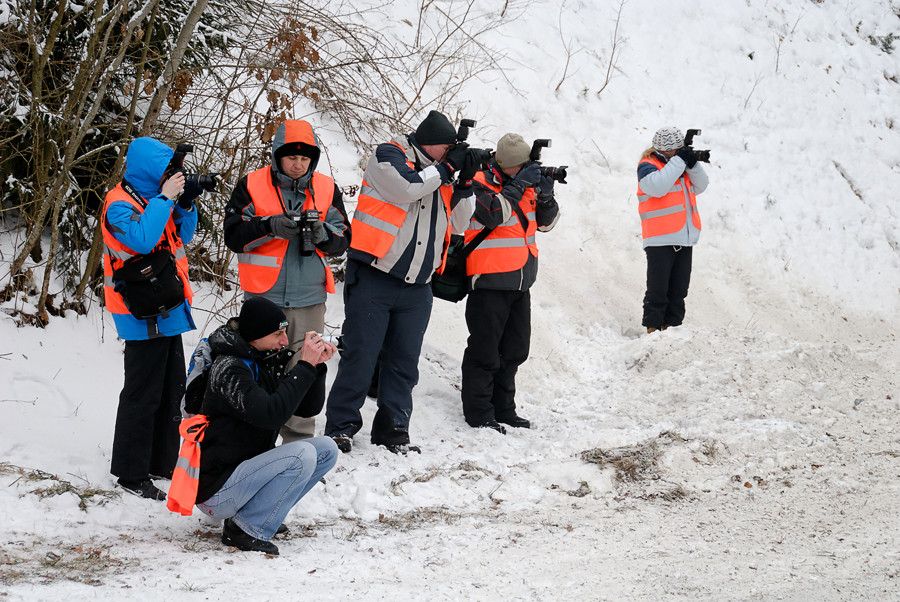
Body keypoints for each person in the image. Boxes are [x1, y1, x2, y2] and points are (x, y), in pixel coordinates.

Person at [324, 110, 476, 454]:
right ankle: (341, 427)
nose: (450, 154)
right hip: (376, 274)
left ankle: (393, 429)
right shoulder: (388, 154)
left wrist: (464, 181)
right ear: (432, 145)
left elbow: (465, 221)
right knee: (361, 355)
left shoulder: (443, 173)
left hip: (418, 285)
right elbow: (407, 188)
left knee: (404, 362)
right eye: (447, 148)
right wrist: (447, 169)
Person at [224, 119, 350, 444]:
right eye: (291, 157)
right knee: (258, 371)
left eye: (305, 159)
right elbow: (233, 235)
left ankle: (299, 447)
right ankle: (254, 444)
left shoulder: (325, 188)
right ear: (277, 155)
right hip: (264, 300)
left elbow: (343, 239)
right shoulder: (251, 185)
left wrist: (322, 234)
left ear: (314, 160)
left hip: (310, 299)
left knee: (305, 369)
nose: (298, 164)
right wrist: (269, 226)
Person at [195, 297, 338, 555]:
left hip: (245, 476)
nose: (284, 340)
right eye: (278, 334)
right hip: (217, 490)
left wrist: (315, 368)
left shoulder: (261, 357)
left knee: (326, 449)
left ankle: (258, 511)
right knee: (301, 455)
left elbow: (307, 408)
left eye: (284, 333)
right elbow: (271, 415)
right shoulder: (230, 369)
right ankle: (245, 528)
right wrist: (303, 365)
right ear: (255, 335)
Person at [102, 137, 203, 500]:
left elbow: (184, 236)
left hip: (169, 305)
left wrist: (185, 202)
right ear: (149, 171)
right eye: (166, 170)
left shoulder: (156, 199)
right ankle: (131, 473)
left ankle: (161, 462)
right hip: (138, 309)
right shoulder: (117, 204)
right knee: (142, 393)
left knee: (171, 388)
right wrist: (166, 198)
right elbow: (142, 240)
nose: (173, 175)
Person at [460, 133, 560, 433]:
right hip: (489, 279)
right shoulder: (477, 180)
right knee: (484, 350)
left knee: (515, 350)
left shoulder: (525, 182)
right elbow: (491, 215)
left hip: (521, 279)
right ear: (503, 165)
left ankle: (504, 408)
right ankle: (479, 412)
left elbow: (546, 224)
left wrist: (545, 196)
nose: (523, 170)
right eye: (518, 167)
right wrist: (518, 185)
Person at [636, 127, 710, 332]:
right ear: (664, 150)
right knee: (658, 290)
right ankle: (652, 328)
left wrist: (692, 163)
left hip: (684, 237)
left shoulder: (679, 167)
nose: (678, 153)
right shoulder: (648, 165)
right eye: (675, 150)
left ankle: (673, 329)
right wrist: (680, 162)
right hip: (660, 238)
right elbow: (657, 186)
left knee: (679, 291)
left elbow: (702, 185)